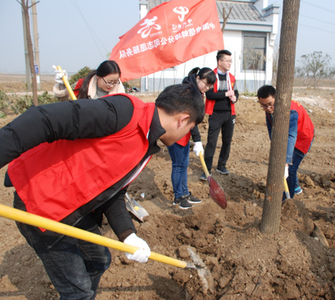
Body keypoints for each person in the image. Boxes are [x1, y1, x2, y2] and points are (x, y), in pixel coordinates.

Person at [0, 84, 204, 299]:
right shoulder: (123, 112)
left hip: (75, 206)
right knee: (78, 292)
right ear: (182, 119)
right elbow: (44, 119)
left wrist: (128, 234)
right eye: (190, 129)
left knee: (99, 261)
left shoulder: (147, 143)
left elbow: (113, 193)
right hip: (40, 205)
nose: (187, 135)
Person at [168, 67, 216, 209]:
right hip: (175, 131)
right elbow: (191, 119)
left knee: (184, 164)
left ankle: (184, 193)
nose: (206, 88)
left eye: (209, 86)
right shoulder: (187, 92)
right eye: (205, 84)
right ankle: (178, 197)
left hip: (184, 133)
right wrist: (198, 140)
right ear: (198, 78)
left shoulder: (197, 91)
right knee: (178, 165)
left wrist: (195, 139)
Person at [257, 85, 314, 198]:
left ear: (276, 98)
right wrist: (275, 144)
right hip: (291, 137)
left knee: (291, 168)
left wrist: (286, 163)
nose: (267, 108)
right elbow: (270, 126)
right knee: (289, 167)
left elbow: (291, 136)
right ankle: (295, 186)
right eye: (263, 105)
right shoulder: (270, 108)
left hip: (302, 138)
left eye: (269, 104)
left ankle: (289, 197)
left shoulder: (290, 110)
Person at [200, 50, 238, 180]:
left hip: (229, 114)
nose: (229, 63)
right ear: (219, 62)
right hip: (215, 114)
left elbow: (235, 92)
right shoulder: (212, 76)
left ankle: (221, 165)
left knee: (227, 142)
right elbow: (209, 95)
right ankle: (207, 169)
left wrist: (235, 98)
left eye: (230, 61)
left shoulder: (231, 77)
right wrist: (225, 94)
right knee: (212, 142)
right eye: (227, 61)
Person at [53, 60, 125, 101]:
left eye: (115, 82)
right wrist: (62, 84)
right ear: (98, 77)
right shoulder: (82, 85)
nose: (112, 85)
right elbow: (64, 101)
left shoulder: (120, 95)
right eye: (109, 82)